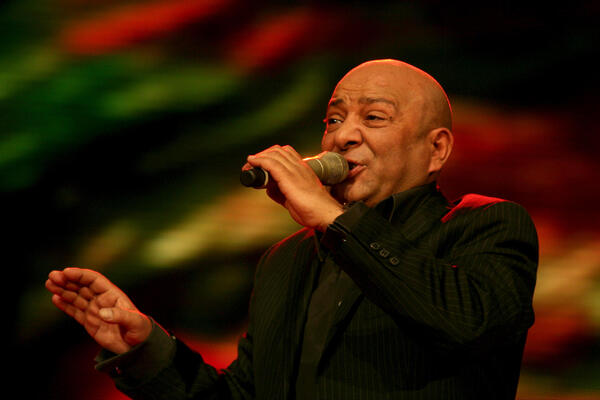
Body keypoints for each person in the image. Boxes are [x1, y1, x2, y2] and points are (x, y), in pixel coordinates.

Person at [46, 59, 538, 399]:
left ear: (437, 149)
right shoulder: (287, 259)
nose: (343, 135)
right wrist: (144, 349)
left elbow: (464, 324)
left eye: (374, 117)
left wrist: (334, 219)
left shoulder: (486, 225)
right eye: (334, 119)